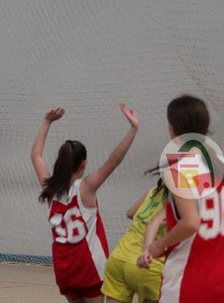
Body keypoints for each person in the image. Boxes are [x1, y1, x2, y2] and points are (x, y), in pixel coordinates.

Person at [136, 95, 224, 303]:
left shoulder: (179, 169)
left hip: (189, 281)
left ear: (172, 128)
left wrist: (158, 246)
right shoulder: (223, 165)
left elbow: (191, 222)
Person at [31, 103, 140, 303]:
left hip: (64, 268)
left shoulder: (50, 188)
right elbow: (114, 159)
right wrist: (133, 129)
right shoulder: (86, 188)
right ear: (84, 164)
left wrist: (47, 121)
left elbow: (36, 156)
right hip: (88, 266)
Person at [102, 178, 167, 303]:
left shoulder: (154, 190)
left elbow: (130, 213)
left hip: (119, 256)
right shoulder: (181, 201)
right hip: (148, 265)